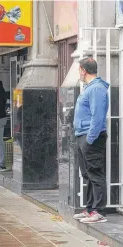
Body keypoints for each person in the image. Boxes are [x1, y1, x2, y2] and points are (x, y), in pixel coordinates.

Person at [72, 57, 109, 224]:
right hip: (83, 135)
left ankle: (99, 211)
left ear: (83, 70)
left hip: (90, 137)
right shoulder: (90, 88)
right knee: (87, 174)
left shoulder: (96, 89)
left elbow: (98, 117)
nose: (79, 73)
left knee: (95, 173)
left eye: (79, 70)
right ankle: (89, 209)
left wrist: (90, 139)